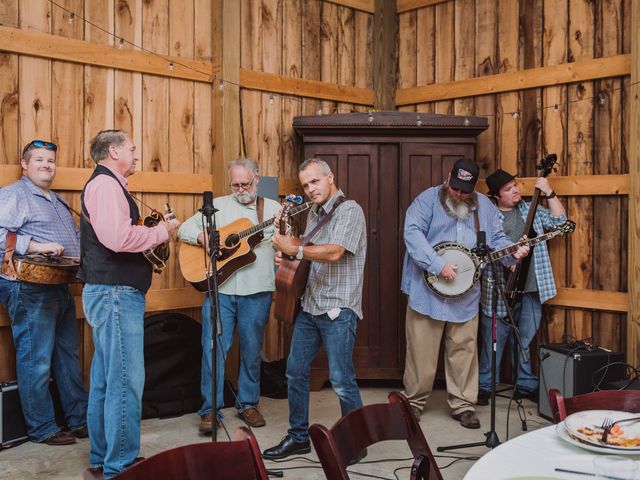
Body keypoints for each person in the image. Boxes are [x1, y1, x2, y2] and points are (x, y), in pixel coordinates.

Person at [78, 130, 180, 479]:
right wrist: (161, 233)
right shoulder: (106, 186)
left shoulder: (108, 185)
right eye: (132, 149)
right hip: (116, 294)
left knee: (107, 381)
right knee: (125, 381)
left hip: (110, 293)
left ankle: (102, 458)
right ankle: (120, 467)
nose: (136, 154)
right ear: (114, 151)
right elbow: (117, 238)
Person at [401, 158, 530, 429]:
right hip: (428, 290)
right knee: (421, 355)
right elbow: (412, 234)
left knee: (463, 351)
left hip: (466, 294)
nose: (458, 193)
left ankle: (463, 405)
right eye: (455, 187)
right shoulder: (426, 200)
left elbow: (497, 240)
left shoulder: (485, 207)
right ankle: (413, 403)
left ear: (475, 187)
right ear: (448, 178)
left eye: (465, 190)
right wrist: (437, 265)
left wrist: (511, 254)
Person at [263, 158, 367, 461]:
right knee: (295, 373)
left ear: (330, 178)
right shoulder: (313, 213)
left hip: (338, 309)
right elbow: (310, 255)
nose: (310, 189)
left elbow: (335, 252)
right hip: (310, 305)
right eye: (306, 185)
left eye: (315, 182)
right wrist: (291, 260)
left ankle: (356, 442)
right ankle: (298, 437)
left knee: (341, 380)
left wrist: (293, 249)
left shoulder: (350, 210)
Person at [178, 157, 280, 433]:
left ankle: (248, 403)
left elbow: (284, 245)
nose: (240, 189)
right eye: (234, 184)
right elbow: (184, 228)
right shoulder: (218, 206)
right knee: (213, 350)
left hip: (257, 290)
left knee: (251, 351)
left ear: (257, 179)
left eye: (245, 184)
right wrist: (201, 238)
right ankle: (210, 410)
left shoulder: (274, 209)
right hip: (220, 290)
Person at [0, 140, 88, 446]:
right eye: (39, 160)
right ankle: (43, 428)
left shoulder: (59, 201)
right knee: (35, 360)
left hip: (59, 284)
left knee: (68, 357)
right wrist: (37, 246)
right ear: (25, 164)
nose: (46, 165)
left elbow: (76, 239)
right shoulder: (15, 195)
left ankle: (79, 420)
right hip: (28, 287)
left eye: (50, 160)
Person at [477, 169, 566, 405]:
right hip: (497, 289)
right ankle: (485, 385)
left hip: (531, 286)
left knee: (524, 338)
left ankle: (525, 383)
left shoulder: (529, 209)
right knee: (493, 339)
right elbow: (480, 250)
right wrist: (508, 258)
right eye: (508, 189)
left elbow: (560, 222)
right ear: (496, 196)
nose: (515, 190)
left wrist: (549, 192)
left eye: (515, 185)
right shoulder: (488, 215)